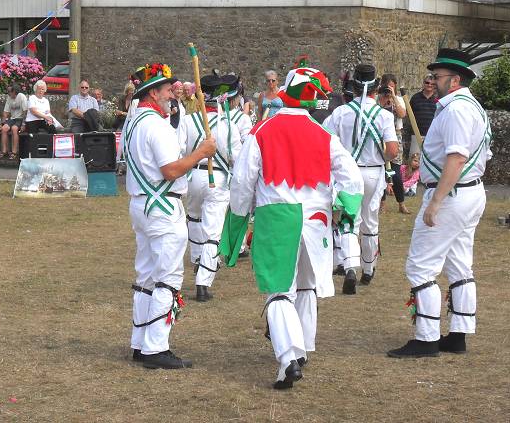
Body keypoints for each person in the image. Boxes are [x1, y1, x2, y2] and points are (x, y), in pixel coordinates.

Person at [221, 66, 363, 390]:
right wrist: (344, 207)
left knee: (278, 289)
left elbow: (242, 183)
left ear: (285, 90)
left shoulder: (262, 131)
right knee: (305, 285)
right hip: (316, 220)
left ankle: (288, 359)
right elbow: (352, 179)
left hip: (277, 217)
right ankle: (302, 349)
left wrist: (239, 218)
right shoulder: (324, 135)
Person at [388, 45, 497, 359]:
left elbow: (457, 157)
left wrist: (435, 201)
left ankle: (426, 339)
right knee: (459, 263)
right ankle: (459, 334)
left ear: (456, 79)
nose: (432, 81)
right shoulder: (472, 107)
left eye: (437, 76)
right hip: (468, 193)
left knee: (421, 267)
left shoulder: (457, 109)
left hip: (451, 195)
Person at [122, 62, 216, 370]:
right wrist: (201, 153)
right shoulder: (156, 125)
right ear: (152, 93)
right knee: (168, 276)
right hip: (162, 208)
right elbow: (170, 170)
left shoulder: (133, 122)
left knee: (146, 274)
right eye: (166, 90)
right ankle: (156, 347)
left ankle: (140, 342)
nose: (171, 95)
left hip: (142, 205)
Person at [323, 64, 398, 293]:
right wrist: (378, 156)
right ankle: (368, 269)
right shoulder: (384, 116)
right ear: (377, 88)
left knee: (349, 220)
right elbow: (393, 151)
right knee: (370, 221)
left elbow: (325, 142)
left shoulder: (340, 113)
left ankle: (350, 267)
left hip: (347, 174)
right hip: (373, 172)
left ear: (352, 88)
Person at [177, 72, 251, 302]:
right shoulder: (229, 124)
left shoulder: (188, 121)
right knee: (212, 232)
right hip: (217, 181)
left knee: (195, 221)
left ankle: (199, 261)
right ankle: (203, 282)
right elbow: (238, 159)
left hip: (193, 179)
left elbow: (179, 152)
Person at [379, 73, 409, 214]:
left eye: (392, 86)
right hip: (380, 136)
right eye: (387, 86)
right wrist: (384, 100)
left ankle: (401, 203)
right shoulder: (379, 99)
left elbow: (403, 114)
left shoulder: (398, 99)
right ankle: (382, 203)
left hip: (395, 135)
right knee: (382, 171)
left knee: (395, 173)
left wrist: (393, 99)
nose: (389, 88)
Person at [408, 74, 438, 156]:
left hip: (433, 136)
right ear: (423, 83)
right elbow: (410, 115)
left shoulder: (438, 99)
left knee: (430, 159)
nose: (429, 85)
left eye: (432, 84)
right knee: (414, 160)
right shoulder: (415, 98)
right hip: (417, 134)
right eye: (427, 83)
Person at [0, 84, 27, 160]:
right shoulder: (9, 98)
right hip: (13, 119)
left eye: (9, 91)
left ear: (14, 91)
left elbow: (25, 112)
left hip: (20, 118)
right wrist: (2, 123)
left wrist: (24, 124)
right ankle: (4, 151)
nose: (8, 93)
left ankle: (14, 152)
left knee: (14, 129)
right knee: (4, 129)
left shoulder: (21, 97)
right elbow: (5, 112)